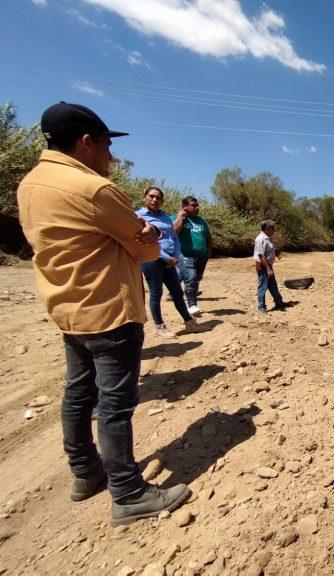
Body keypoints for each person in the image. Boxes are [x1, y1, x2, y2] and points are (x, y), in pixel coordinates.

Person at [16, 101, 190, 527]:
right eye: (107, 146)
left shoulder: (29, 185)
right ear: (86, 142)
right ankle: (128, 493)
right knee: (114, 404)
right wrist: (147, 237)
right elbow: (144, 247)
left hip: (67, 307)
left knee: (78, 394)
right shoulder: (92, 189)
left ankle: (85, 472)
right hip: (110, 308)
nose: (111, 157)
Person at [135, 187, 207, 338]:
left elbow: (174, 237)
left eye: (158, 198)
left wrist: (175, 256)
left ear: (162, 201)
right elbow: (144, 242)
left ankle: (189, 323)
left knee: (177, 292)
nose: (155, 200)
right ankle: (160, 327)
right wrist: (167, 258)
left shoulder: (165, 217)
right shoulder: (139, 217)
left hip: (170, 259)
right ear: (144, 198)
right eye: (151, 196)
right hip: (152, 260)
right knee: (156, 293)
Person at [172, 196, 211, 317]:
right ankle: (191, 305)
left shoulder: (201, 220)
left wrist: (207, 254)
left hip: (202, 256)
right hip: (185, 255)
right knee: (191, 277)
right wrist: (180, 215)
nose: (197, 207)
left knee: (196, 279)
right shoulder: (176, 218)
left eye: (197, 205)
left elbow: (208, 237)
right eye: (193, 205)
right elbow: (174, 230)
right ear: (185, 207)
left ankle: (174, 292)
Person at [253, 219, 287, 313]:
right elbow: (261, 255)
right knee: (263, 286)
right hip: (263, 266)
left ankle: (279, 303)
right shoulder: (260, 239)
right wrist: (268, 269)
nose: (274, 231)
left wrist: (276, 254)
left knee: (272, 285)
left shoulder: (267, 238)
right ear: (267, 229)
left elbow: (268, 251)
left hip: (268, 265)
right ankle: (261, 307)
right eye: (272, 229)